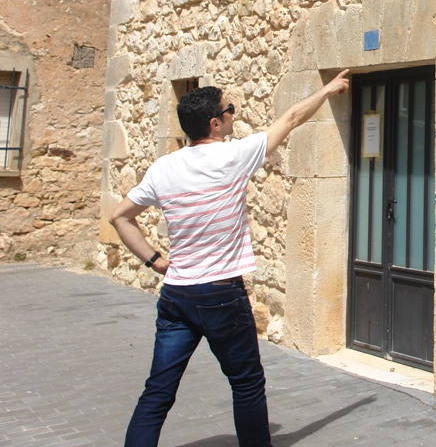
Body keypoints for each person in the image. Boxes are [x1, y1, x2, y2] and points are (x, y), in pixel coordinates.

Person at [110, 70, 350, 447]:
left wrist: (155, 261)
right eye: (230, 110)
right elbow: (290, 119)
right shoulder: (232, 156)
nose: (234, 115)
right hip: (221, 294)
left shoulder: (163, 167)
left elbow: (120, 217)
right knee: (247, 384)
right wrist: (329, 88)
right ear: (215, 123)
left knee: (158, 391)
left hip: (176, 296)